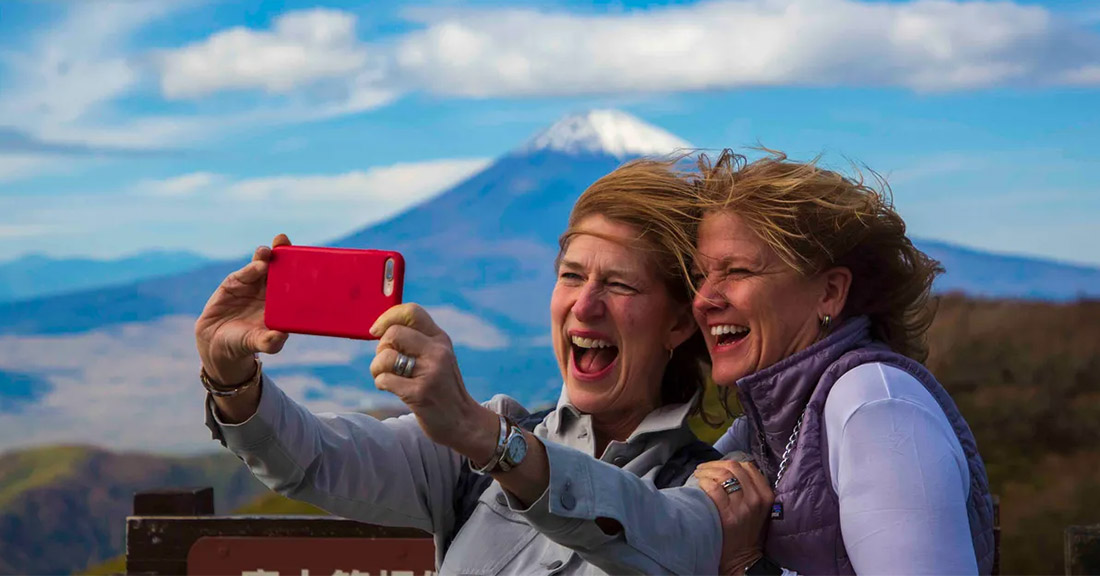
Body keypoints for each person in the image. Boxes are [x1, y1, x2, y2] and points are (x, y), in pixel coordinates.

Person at [196, 159, 771, 575]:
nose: (585, 304)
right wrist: (232, 379)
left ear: (676, 325)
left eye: (619, 284)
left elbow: (653, 533)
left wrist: (487, 439)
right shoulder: (469, 456)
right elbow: (314, 461)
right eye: (571, 276)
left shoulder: (714, 490)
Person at [691, 150, 996, 575]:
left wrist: (745, 566)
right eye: (700, 276)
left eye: (737, 271)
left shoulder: (875, 407)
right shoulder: (767, 424)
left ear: (829, 293)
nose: (703, 300)